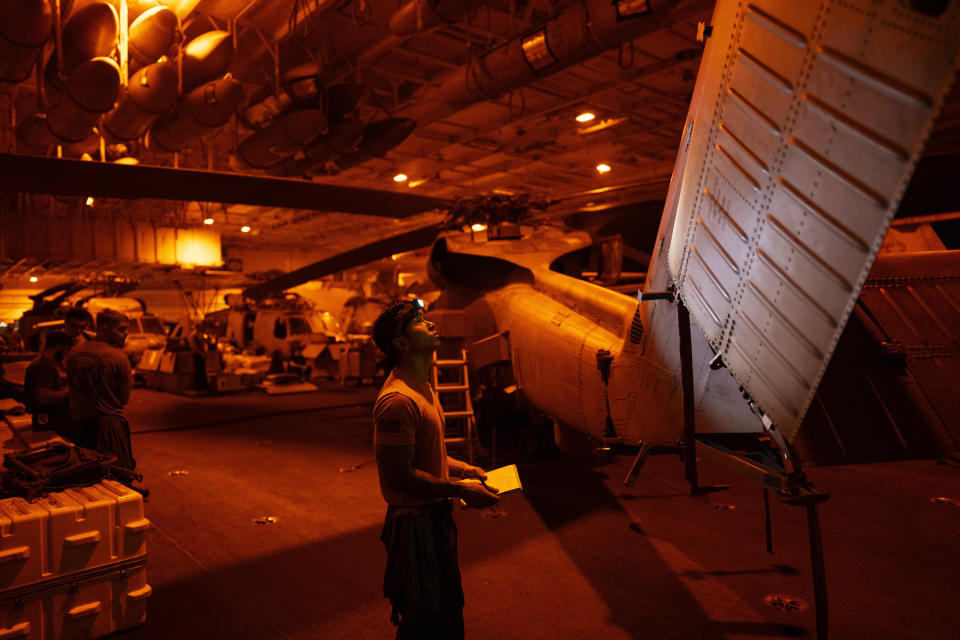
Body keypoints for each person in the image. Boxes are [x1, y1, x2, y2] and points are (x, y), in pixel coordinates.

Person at [372, 299, 499, 640]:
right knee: (424, 621)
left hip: (435, 519)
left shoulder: (423, 386)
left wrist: (465, 469)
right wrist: (459, 488)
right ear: (400, 343)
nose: (430, 324)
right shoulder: (398, 400)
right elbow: (400, 475)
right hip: (414, 525)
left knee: (447, 613)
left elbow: (430, 456)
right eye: (418, 321)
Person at [66, 309, 142, 488]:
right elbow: (123, 399)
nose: (126, 334)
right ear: (105, 330)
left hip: (80, 424)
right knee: (116, 475)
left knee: (88, 478)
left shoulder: (74, 353)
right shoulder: (119, 358)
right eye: (121, 329)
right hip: (110, 424)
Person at [23, 330, 72, 437]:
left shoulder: (45, 362)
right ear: (59, 346)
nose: (66, 354)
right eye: (67, 349)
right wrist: (71, 390)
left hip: (49, 421)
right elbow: (42, 397)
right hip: (47, 423)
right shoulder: (44, 364)